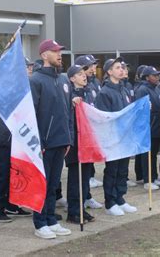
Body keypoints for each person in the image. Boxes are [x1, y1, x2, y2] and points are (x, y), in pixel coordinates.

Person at [30, 39, 73, 239]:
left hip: (61, 140)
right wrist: (39, 142)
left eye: (60, 51)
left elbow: (67, 113)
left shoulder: (63, 80)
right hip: (44, 143)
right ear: (44, 55)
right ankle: (40, 223)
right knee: (42, 184)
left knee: (54, 184)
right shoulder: (35, 80)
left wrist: (68, 138)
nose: (59, 54)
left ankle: (51, 219)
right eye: (55, 51)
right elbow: (32, 115)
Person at [95, 57, 138, 216]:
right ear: (109, 72)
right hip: (113, 139)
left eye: (122, 67)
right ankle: (110, 201)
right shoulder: (105, 92)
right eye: (118, 67)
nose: (122, 70)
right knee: (112, 170)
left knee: (123, 170)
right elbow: (104, 118)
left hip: (125, 137)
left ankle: (120, 198)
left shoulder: (124, 90)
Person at [65, 65, 96, 224]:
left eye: (84, 74)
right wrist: (71, 103)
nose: (84, 76)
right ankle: (73, 211)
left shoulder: (88, 93)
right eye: (79, 74)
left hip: (87, 142)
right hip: (75, 142)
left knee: (85, 178)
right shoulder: (68, 94)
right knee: (75, 179)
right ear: (72, 78)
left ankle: (81, 207)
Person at [73, 55, 104, 209]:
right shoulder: (74, 89)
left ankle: (87, 196)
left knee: (87, 169)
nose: (93, 69)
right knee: (78, 173)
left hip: (91, 131)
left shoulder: (93, 84)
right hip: (80, 134)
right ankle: (78, 201)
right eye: (89, 66)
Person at [135, 66, 160, 191]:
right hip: (149, 128)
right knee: (148, 155)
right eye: (154, 75)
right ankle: (147, 179)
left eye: (158, 75)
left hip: (158, 128)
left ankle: (153, 177)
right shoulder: (143, 90)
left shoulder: (157, 90)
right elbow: (140, 109)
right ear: (147, 77)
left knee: (153, 154)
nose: (157, 77)